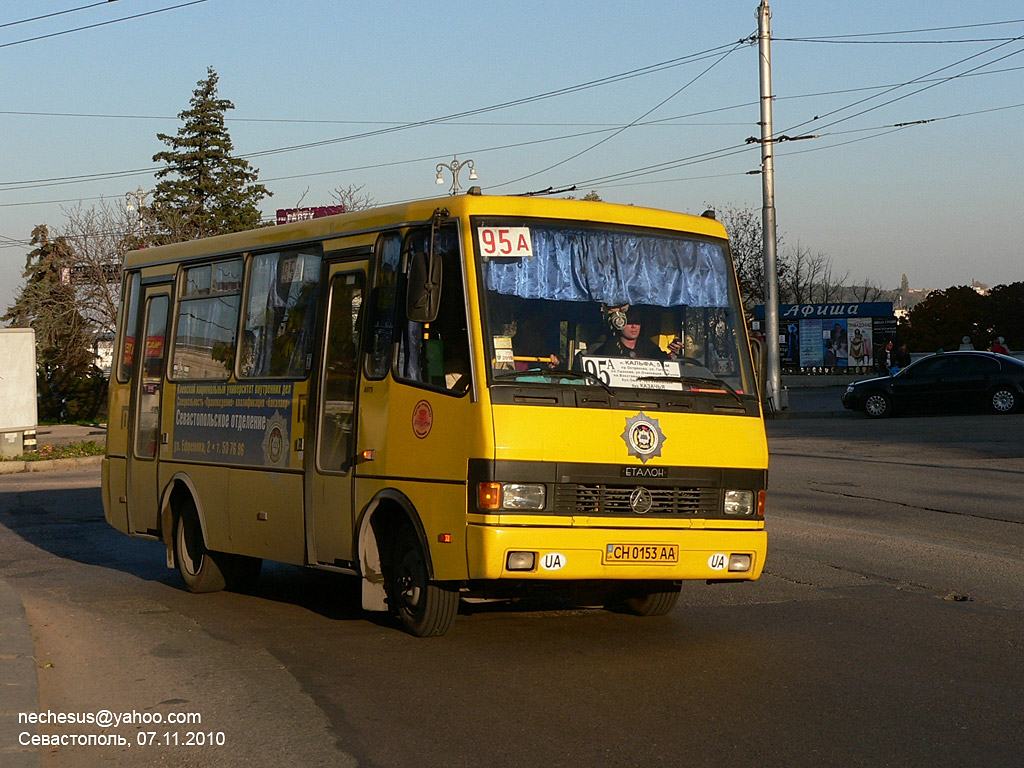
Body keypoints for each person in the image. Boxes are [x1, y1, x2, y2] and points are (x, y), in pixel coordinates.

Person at [586, 307, 682, 361]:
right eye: (630, 323)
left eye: (637, 323)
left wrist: (674, 352)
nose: (634, 326)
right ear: (619, 324)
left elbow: (663, 361)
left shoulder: (647, 345)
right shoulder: (610, 347)